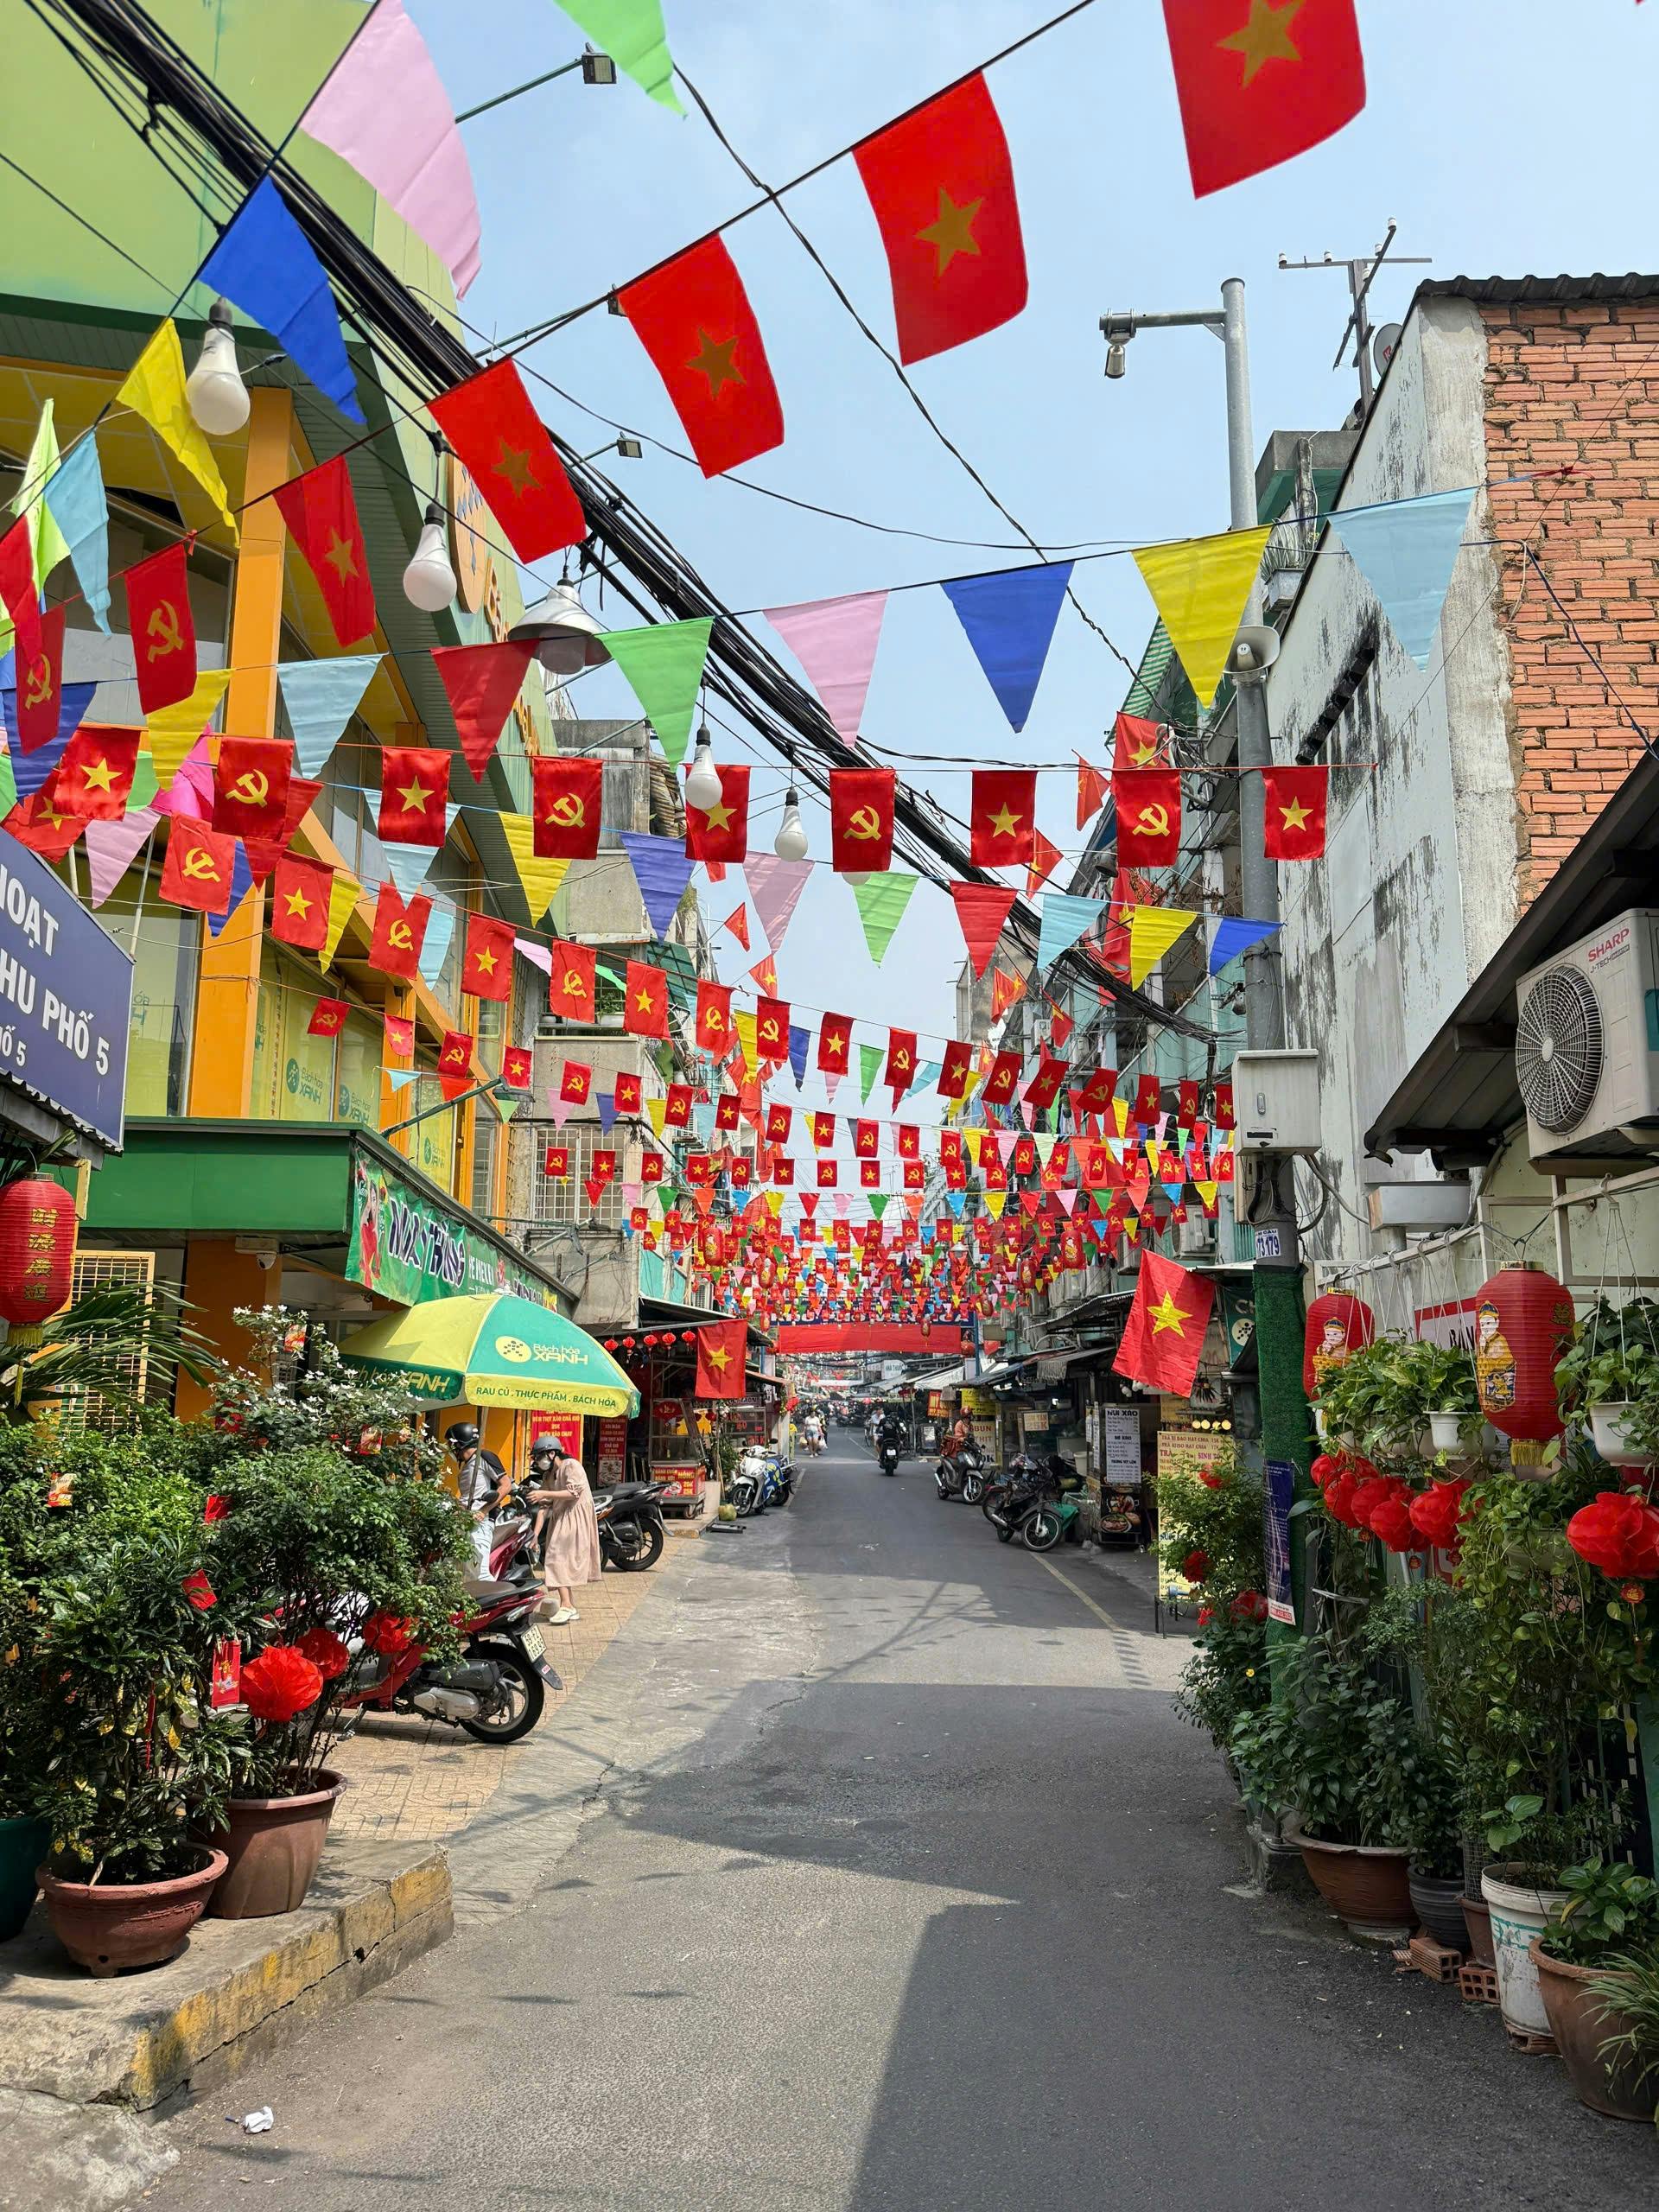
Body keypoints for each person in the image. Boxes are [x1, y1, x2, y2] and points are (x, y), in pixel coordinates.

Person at [528, 1438, 601, 1624]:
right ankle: (570, 1606)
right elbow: (543, 1508)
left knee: (555, 1557)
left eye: (540, 1457)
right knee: (559, 1559)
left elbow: (573, 1492)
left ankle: (566, 1605)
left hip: (575, 1516)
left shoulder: (571, 1466)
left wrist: (544, 1493)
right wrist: (535, 1535)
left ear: (552, 1454)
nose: (538, 1461)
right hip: (560, 1518)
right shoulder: (548, 1476)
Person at [446, 1421, 507, 1576]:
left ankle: (496, 1593)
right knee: (460, 1570)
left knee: (480, 1572)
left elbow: (506, 1485)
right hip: (466, 1521)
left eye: (451, 1443)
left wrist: (483, 1510)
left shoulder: (484, 1457)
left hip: (481, 1522)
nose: (450, 1448)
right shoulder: (468, 1465)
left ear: (459, 1443)